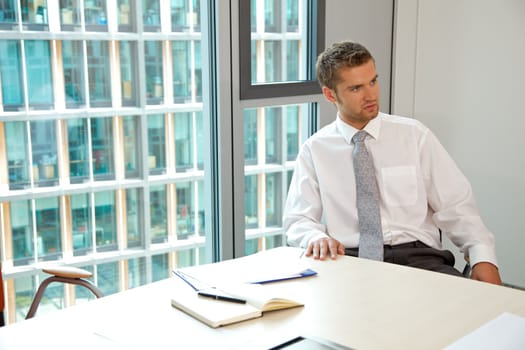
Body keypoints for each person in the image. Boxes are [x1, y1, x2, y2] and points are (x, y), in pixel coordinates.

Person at [283, 41, 502, 285]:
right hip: (350, 261)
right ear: (330, 94)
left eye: (373, 82)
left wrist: (483, 257)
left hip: (420, 260)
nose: (371, 95)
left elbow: (456, 205)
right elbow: (297, 220)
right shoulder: (315, 149)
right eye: (356, 88)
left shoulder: (414, 135)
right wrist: (314, 237)